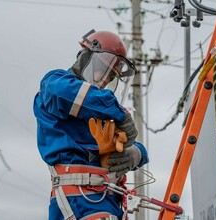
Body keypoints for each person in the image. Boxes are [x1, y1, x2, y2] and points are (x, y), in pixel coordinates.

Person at [33, 29, 149, 220]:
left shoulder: (100, 107)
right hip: (79, 201)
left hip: (107, 201)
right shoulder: (55, 84)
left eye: (111, 77)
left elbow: (119, 142)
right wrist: (118, 111)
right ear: (85, 58)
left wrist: (137, 153)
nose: (104, 80)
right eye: (102, 71)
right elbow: (61, 92)